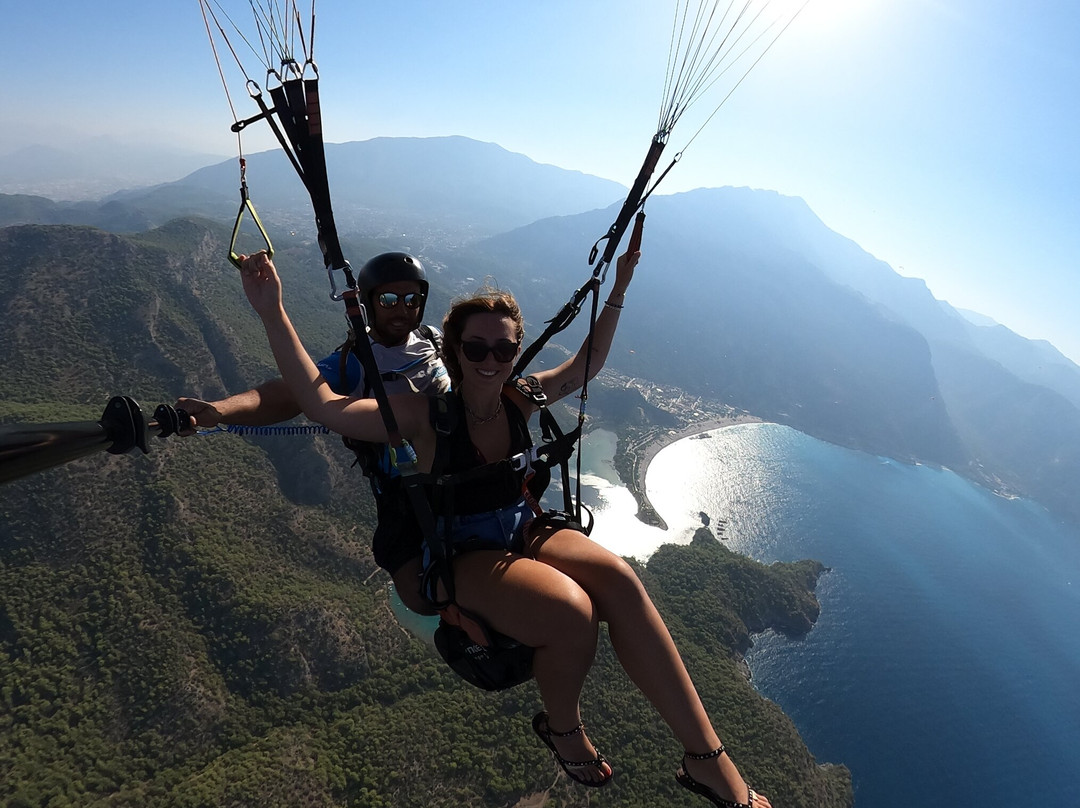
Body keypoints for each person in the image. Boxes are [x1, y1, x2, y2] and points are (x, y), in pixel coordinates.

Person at [238, 248, 771, 808]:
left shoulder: (523, 398)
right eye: (476, 348)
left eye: (504, 347)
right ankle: (564, 732)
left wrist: (618, 288)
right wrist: (272, 310)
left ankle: (706, 758)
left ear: (516, 351)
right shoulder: (422, 412)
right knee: (572, 615)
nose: (491, 359)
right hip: (451, 549)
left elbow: (587, 364)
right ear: (454, 351)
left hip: (519, 525)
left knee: (620, 581)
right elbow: (323, 405)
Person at [176, 252, 449, 615]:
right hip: (405, 493)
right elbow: (288, 393)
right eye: (388, 299)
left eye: (412, 299)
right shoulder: (354, 361)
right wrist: (221, 410)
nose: (402, 309)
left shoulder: (435, 342)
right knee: (422, 597)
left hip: (455, 475)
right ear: (369, 303)